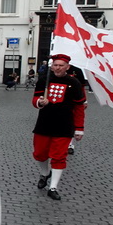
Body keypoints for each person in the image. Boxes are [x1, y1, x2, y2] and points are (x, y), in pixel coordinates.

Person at [32, 54, 85, 201]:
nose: (58, 68)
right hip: (44, 122)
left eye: (61, 65)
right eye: (55, 65)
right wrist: (39, 102)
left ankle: (53, 187)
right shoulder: (44, 80)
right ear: (52, 66)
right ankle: (44, 173)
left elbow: (79, 107)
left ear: (67, 67)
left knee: (59, 156)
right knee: (40, 153)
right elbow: (35, 98)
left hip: (64, 124)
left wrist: (79, 128)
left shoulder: (74, 83)